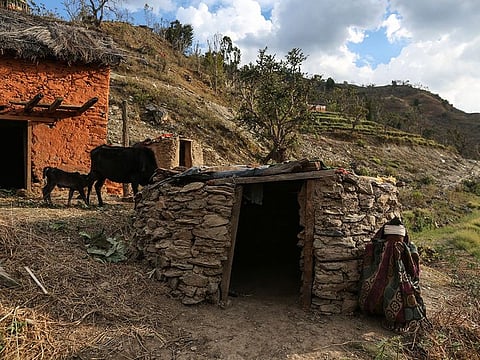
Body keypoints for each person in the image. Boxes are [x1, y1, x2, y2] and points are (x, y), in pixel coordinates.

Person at [358, 217, 428, 332]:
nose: (394, 244)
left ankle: (395, 318)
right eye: (391, 240)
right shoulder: (382, 249)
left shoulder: (398, 249)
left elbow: (414, 271)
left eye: (398, 240)